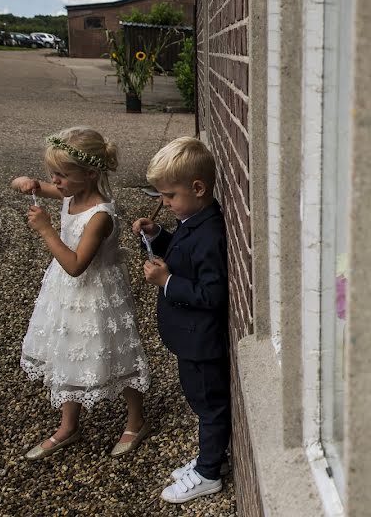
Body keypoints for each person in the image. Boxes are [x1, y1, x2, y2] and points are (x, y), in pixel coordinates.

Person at [12, 127, 151, 460]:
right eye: (51, 174)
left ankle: (136, 421)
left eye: (61, 175)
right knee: (67, 350)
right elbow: (48, 190)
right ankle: (68, 425)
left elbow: (76, 265)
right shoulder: (71, 193)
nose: (55, 181)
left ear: (90, 174)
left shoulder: (100, 216)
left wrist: (45, 230)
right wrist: (29, 183)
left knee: (119, 354)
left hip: (97, 295)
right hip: (65, 293)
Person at [132, 137, 230, 504]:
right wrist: (158, 236)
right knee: (199, 401)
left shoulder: (210, 233)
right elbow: (182, 252)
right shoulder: (195, 219)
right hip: (190, 339)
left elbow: (212, 293)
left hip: (202, 342)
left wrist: (167, 281)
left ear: (198, 188)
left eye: (169, 196)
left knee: (209, 405)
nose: (164, 203)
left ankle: (208, 473)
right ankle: (209, 457)